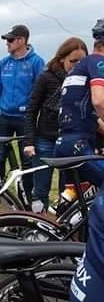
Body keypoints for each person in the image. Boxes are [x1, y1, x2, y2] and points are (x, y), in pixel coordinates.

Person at [23, 37, 88, 211]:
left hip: (70, 141)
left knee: (68, 191)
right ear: (62, 59)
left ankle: (63, 222)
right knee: (40, 189)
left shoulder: (85, 78)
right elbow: (31, 110)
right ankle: (38, 223)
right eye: (73, 61)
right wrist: (29, 142)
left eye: (82, 61)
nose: (77, 65)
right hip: (45, 140)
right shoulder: (46, 77)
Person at [0, 25, 45, 199]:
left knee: (27, 159)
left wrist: (32, 112)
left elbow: (41, 90)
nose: (7, 43)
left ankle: (28, 195)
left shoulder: (37, 62)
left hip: (25, 120)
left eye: (10, 39)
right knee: (0, 156)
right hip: (4, 118)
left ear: (21, 40)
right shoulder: (3, 63)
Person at [54, 19, 104, 187]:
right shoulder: (98, 62)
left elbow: (87, 113)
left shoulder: (78, 67)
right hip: (79, 145)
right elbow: (99, 101)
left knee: (81, 193)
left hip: (64, 143)